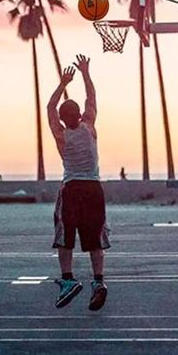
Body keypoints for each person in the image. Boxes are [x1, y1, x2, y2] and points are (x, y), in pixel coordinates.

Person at [47, 54, 110, 311]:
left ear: (63, 118)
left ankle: (68, 280)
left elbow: (50, 107)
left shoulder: (61, 134)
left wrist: (62, 83)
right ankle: (98, 282)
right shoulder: (89, 127)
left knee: (65, 237)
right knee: (94, 239)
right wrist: (85, 73)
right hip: (94, 189)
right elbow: (92, 98)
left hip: (72, 188)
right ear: (80, 114)